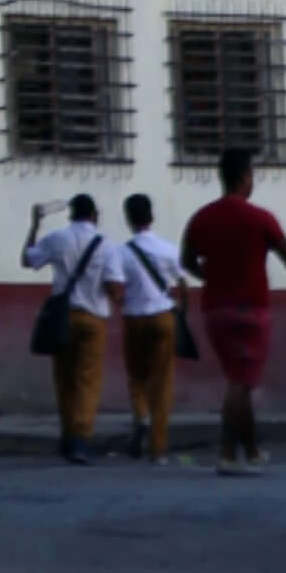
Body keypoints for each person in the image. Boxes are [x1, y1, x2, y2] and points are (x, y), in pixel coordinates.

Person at [181, 147, 286, 473]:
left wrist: (208, 275)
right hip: (251, 310)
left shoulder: (201, 217)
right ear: (245, 177)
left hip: (215, 311)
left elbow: (186, 261)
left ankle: (252, 450)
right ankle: (228, 455)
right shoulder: (260, 218)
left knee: (239, 378)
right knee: (240, 382)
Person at [20, 189, 121, 464]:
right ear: (94, 215)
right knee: (87, 381)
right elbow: (113, 287)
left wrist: (34, 225)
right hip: (93, 319)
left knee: (64, 379)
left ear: (71, 214)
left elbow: (28, 260)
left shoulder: (57, 239)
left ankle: (67, 436)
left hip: (63, 317)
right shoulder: (106, 246)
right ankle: (80, 438)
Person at [114, 193, 188, 466]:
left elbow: (115, 285)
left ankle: (141, 416)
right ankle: (158, 450)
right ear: (152, 217)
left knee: (136, 377)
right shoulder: (167, 248)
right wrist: (181, 311)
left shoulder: (121, 252)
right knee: (163, 382)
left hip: (134, 318)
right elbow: (182, 284)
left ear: (128, 219)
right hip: (163, 316)